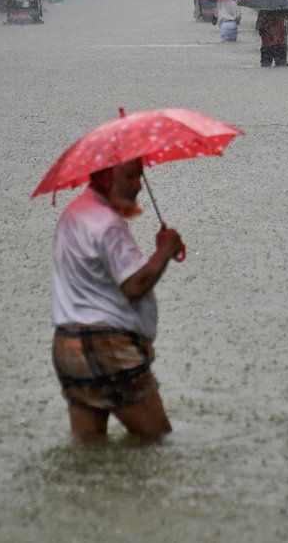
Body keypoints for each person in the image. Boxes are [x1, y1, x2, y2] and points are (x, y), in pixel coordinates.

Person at [50, 159, 186, 443]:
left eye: (140, 176)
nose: (137, 185)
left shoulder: (72, 215)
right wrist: (164, 251)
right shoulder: (107, 224)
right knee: (157, 443)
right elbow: (135, 285)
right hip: (108, 348)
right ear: (105, 175)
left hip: (68, 347)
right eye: (130, 176)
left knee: (89, 451)